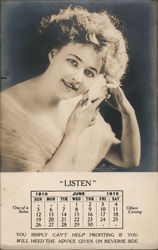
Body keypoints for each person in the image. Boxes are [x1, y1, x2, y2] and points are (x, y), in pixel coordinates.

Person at [0, 6, 140, 172]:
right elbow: (33, 192)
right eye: (73, 62)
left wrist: (127, 113)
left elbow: (127, 159)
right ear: (53, 54)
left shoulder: (78, 106)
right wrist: (74, 133)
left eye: (89, 72)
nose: (77, 78)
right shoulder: (6, 111)